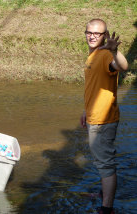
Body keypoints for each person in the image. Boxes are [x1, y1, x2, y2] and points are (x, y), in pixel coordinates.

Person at [80, 19, 128, 214]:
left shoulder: (107, 54)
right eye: (89, 32)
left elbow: (122, 66)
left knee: (106, 164)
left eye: (97, 34)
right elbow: (94, 86)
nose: (92, 36)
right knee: (102, 160)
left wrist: (115, 51)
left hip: (103, 120)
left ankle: (107, 208)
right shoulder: (93, 55)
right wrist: (86, 110)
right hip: (94, 116)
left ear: (104, 35)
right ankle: (103, 194)